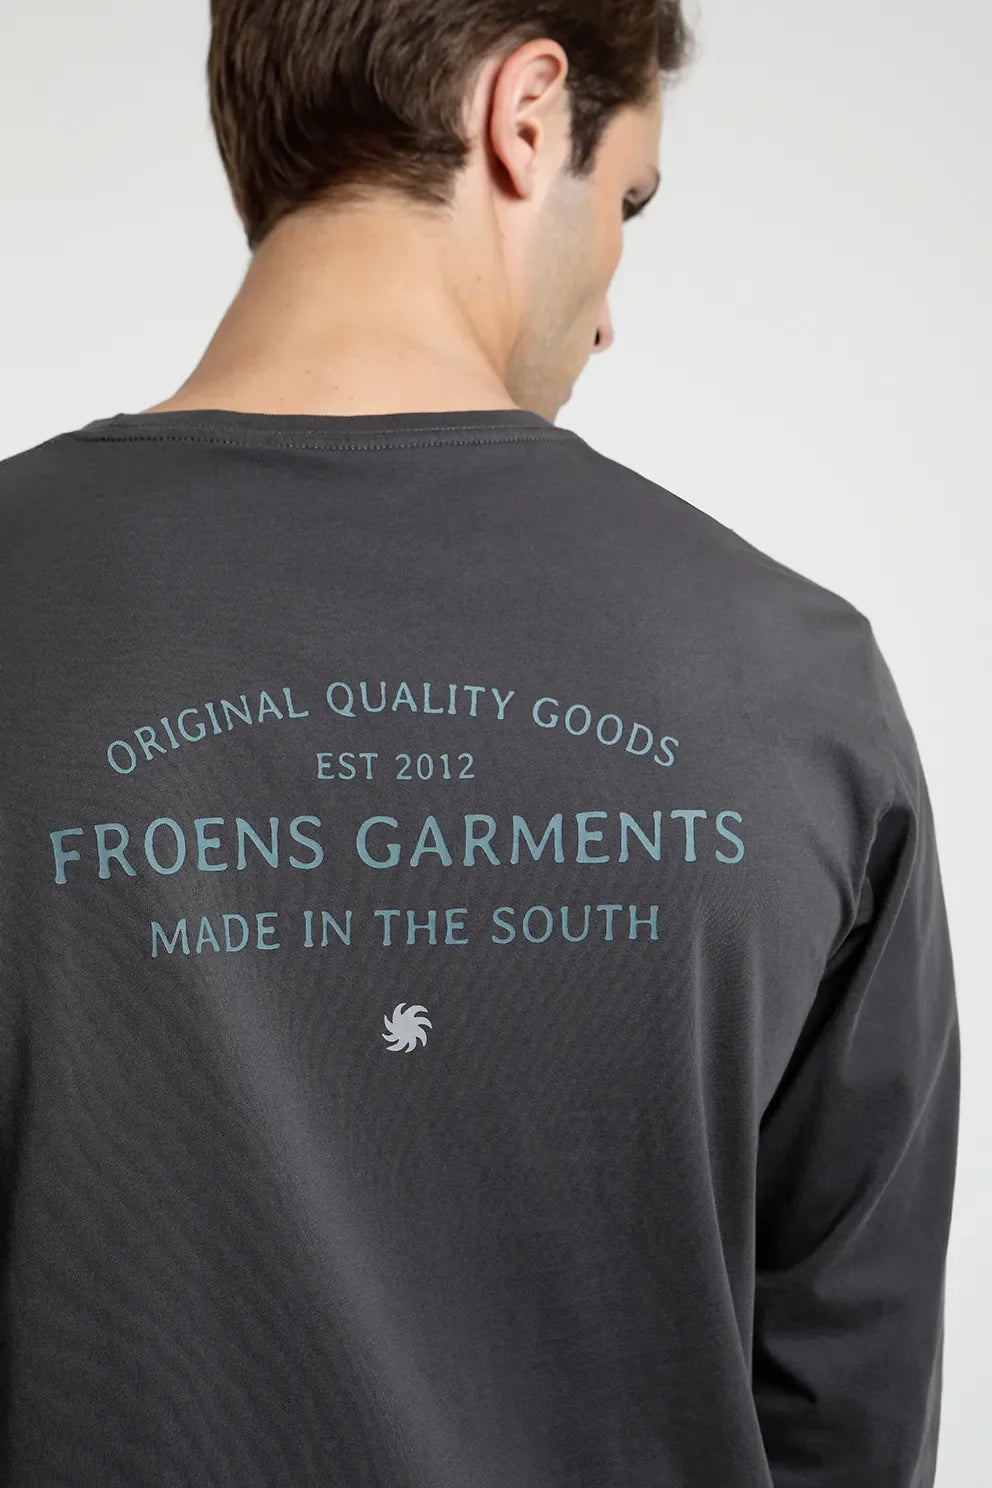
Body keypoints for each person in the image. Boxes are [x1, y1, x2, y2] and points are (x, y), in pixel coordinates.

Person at [0, 3, 960, 1485]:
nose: (611, 306)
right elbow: (845, 1401)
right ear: (525, 115)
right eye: (628, 199)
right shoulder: (795, 684)